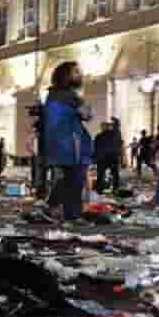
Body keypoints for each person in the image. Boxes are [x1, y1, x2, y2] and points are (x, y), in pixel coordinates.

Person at [42, 61, 93, 223]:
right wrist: (85, 104)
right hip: (71, 144)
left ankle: (52, 206)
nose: (80, 74)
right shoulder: (69, 96)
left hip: (58, 144)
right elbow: (87, 115)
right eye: (76, 72)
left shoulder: (52, 94)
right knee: (75, 179)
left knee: (68, 178)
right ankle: (72, 214)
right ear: (66, 75)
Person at [93, 122, 122, 194]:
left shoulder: (100, 136)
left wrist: (95, 158)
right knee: (113, 174)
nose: (102, 128)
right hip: (110, 158)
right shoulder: (113, 135)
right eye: (102, 126)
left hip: (106, 158)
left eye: (103, 126)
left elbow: (95, 148)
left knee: (102, 174)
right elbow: (119, 144)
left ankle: (100, 190)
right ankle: (114, 189)